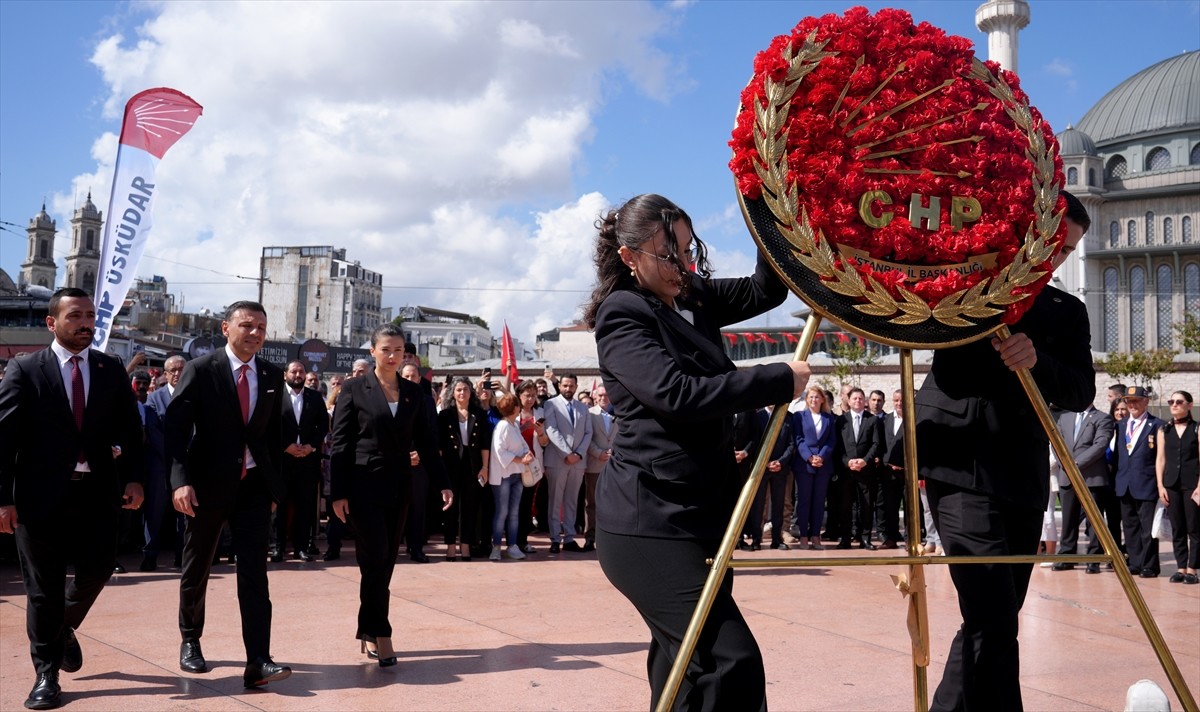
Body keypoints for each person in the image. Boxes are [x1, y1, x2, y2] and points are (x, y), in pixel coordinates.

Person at [585, 193, 811, 710]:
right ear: (629, 257)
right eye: (669, 253)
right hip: (649, 523)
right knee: (729, 662)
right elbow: (676, 395)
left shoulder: (693, 293)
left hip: (702, 515)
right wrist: (777, 379)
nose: (681, 266)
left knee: (681, 672)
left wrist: (766, 208)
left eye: (688, 251)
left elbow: (765, 287)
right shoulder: (622, 315)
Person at [914, 189, 1095, 711]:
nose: (1057, 256)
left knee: (991, 619)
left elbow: (1081, 389)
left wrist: (1036, 359)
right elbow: (930, 333)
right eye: (1054, 242)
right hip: (960, 461)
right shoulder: (970, 278)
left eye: (1068, 250)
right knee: (992, 617)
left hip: (1021, 473)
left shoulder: (1068, 310)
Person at [0, 287, 145, 710]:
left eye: (90, 316)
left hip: (98, 492)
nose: (86, 323)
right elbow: (4, 438)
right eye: (76, 316)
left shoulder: (109, 367)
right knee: (42, 589)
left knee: (99, 569)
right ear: (52, 323)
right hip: (38, 498)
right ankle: (46, 675)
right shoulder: (26, 369)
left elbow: (130, 432)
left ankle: (61, 628)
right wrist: (3, 499)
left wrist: (135, 479)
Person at [166, 300, 292, 689]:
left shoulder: (272, 374)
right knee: (198, 565)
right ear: (226, 328)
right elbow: (175, 430)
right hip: (206, 488)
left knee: (254, 573)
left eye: (261, 328)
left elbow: (273, 433)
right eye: (246, 325)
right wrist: (180, 480)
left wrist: (273, 483)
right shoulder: (202, 370)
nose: (254, 333)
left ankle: (259, 659)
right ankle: (190, 639)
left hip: (252, 488)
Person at [330, 324, 452, 666]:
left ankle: (367, 629)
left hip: (400, 486)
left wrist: (443, 482)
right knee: (376, 555)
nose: (392, 355)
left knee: (384, 561)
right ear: (372, 352)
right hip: (362, 485)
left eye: (399, 350)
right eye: (386, 349)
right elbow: (340, 444)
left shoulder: (416, 394)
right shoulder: (354, 389)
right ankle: (382, 633)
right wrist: (337, 492)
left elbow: (427, 443)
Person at [1051, 397, 1116, 574]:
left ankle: (1093, 558)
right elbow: (1056, 443)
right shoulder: (1064, 418)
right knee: (1068, 519)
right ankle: (1067, 556)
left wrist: (1076, 464)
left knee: (1094, 520)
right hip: (1068, 476)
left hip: (1092, 477)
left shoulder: (1102, 418)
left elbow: (1101, 444)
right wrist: (1065, 465)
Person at [273, 361, 329, 563]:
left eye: (301, 371)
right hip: (282, 461)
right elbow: (269, 425)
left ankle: (302, 548)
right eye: (294, 371)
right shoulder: (275, 396)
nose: (298, 375)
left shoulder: (314, 397)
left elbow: (323, 424)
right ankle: (277, 547)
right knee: (280, 506)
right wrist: (285, 445)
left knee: (305, 506)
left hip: (307, 461)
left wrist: (311, 446)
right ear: (285, 374)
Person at [1113, 386, 1166, 578]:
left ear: (1146, 401)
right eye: (1129, 401)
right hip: (1124, 483)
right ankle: (1135, 562)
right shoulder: (1120, 425)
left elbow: (1161, 457)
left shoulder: (1158, 424)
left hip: (1147, 483)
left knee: (1147, 529)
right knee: (1130, 526)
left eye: (1136, 400)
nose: (1132, 404)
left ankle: (1150, 566)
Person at [437, 377, 491, 560]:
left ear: (471, 392)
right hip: (451, 465)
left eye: (465, 389)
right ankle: (451, 546)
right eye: (459, 390)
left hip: (473, 464)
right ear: (453, 393)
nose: (462, 393)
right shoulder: (445, 415)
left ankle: (466, 545)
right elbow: (440, 445)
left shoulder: (479, 414)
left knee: (470, 507)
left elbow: (485, 443)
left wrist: (484, 467)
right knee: (450, 506)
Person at [542, 373, 593, 554]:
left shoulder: (583, 407)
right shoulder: (550, 404)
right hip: (557, 459)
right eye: (564, 385)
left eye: (571, 386)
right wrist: (567, 453)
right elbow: (551, 429)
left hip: (578, 462)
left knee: (572, 501)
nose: (568, 389)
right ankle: (555, 538)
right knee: (555, 500)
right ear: (560, 386)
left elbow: (588, 432)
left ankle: (570, 538)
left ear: (576, 386)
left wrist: (578, 454)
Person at [144, 355, 186, 571]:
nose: (177, 373)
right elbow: (152, 430)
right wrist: (173, 456)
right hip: (160, 465)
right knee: (154, 512)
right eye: (173, 370)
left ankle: (182, 556)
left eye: (181, 369)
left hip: (186, 467)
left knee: (185, 514)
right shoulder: (154, 398)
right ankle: (150, 556)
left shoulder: (193, 395)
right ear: (165, 374)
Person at [1156, 390, 1199, 584]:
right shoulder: (1163, 429)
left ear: (1189, 405)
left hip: (1192, 484)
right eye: (1171, 401)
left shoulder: (1197, 429)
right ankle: (1181, 567)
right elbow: (1160, 459)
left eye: (1179, 401)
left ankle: (1193, 569)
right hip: (1171, 484)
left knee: (1194, 528)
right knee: (1177, 528)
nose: (1174, 404)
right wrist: (1160, 486)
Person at [834, 387, 884, 550]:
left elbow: (877, 444)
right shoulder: (841, 421)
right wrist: (847, 462)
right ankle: (846, 539)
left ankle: (865, 538)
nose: (858, 401)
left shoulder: (873, 420)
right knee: (845, 505)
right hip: (846, 471)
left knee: (867, 505)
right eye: (854, 398)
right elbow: (837, 446)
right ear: (848, 401)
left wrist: (865, 461)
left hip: (866, 470)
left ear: (865, 401)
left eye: (861, 399)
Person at [487, 393, 530, 561]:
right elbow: (500, 452)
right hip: (503, 476)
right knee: (502, 511)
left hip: (516, 474)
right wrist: (521, 459)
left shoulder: (514, 425)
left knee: (513, 512)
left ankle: (512, 546)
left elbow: (522, 445)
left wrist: (527, 455)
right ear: (515, 408)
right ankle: (496, 547)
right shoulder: (503, 426)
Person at [793, 386, 836, 550]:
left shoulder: (828, 418)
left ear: (822, 400)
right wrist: (810, 457)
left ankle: (816, 536)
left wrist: (821, 457)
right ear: (807, 399)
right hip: (804, 464)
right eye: (811, 397)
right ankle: (804, 535)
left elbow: (831, 441)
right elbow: (798, 439)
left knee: (819, 502)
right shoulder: (799, 417)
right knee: (804, 501)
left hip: (823, 465)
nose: (813, 400)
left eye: (817, 397)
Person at [749, 404, 794, 550]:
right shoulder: (757, 416)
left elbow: (791, 443)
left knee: (778, 505)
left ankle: (777, 539)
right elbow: (754, 442)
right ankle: (756, 539)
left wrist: (780, 461)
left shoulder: (788, 417)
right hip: (761, 468)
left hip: (780, 468)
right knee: (758, 505)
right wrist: (764, 462)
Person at [514, 380, 548, 553]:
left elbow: (544, 443)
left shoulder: (541, 413)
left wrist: (540, 432)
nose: (530, 399)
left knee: (527, 505)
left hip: (533, 466)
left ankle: (522, 541)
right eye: (527, 395)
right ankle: (510, 542)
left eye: (533, 396)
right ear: (519, 396)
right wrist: (521, 428)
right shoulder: (512, 412)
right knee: (513, 505)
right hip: (515, 464)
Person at [584, 385, 615, 552]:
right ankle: (590, 537)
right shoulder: (589, 414)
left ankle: (610, 538)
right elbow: (586, 437)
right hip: (595, 465)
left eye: (607, 395)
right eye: (601, 395)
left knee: (612, 503)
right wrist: (598, 453)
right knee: (592, 503)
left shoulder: (620, 413)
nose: (604, 398)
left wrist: (613, 452)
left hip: (614, 466)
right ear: (595, 396)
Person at [878, 389, 906, 550]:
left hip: (907, 471)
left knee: (910, 506)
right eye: (896, 400)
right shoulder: (885, 420)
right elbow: (881, 445)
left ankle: (910, 538)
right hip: (888, 471)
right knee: (890, 506)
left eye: (902, 400)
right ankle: (891, 537)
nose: (899, 403)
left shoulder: (913, 419)